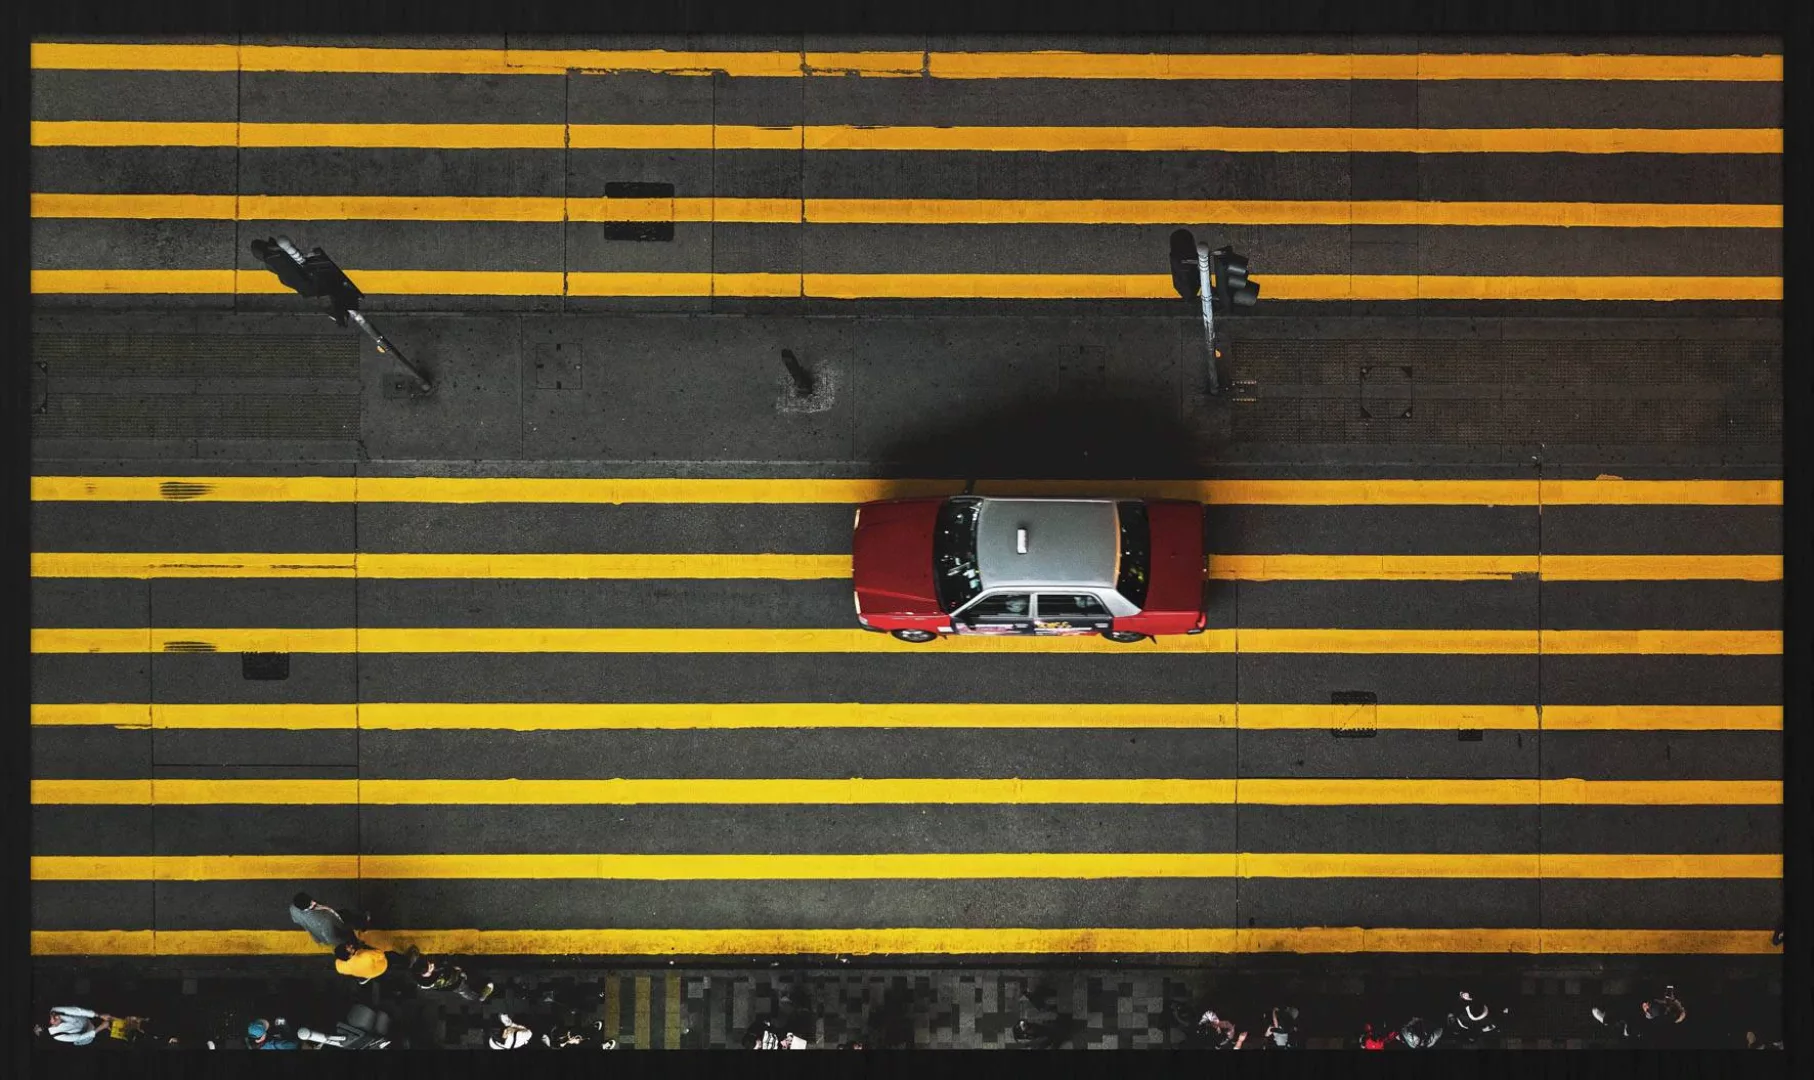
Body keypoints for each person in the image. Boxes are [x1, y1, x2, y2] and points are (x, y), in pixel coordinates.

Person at [409, 952, 494, 1002]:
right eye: (430, 967)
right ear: (427, 974)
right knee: (471, 994)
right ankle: (481, 996)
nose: (432, 965)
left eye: (429, 964)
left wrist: (414, 957)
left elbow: (415, 957)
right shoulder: (440, 976)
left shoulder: (416, 971)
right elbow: (451, 968)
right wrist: (459, 971)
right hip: (456, 983)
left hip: (450, 978)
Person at [289, 892, 362, 948]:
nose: (314, 902)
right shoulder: (325, 921)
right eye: (311, 903)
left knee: (345, 913)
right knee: (349, 935)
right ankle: (357, 945)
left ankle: (360, 920)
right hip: (339, 929)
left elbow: (296, 920)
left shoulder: (293, 909)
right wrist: (347, 943)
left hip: (328, 920)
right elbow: (332, 939)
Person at [39, 1006, 110, 1046]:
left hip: (86, 1019)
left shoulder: (55, 1010)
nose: (57, 1017)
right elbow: (80, 1037)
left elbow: (78, 1011)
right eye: (54, 1019)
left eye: (54, 1015)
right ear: (50, 1026)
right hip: (87, 1034)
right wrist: (101, 1028)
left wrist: (100, 1015)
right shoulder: (56, 1035)